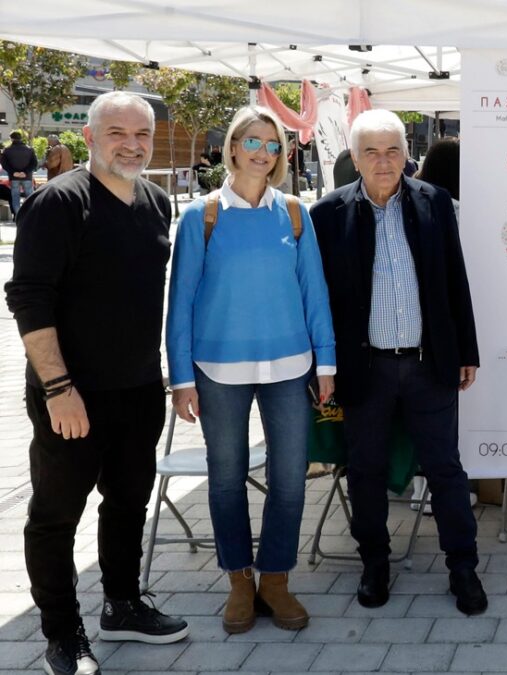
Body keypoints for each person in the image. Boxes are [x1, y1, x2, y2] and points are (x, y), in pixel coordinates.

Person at [4, 91, 189, 675]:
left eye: (142, 134)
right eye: (118, 133)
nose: (132, 145)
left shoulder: (156, 201)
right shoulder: (58, 202)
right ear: (89, 138)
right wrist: (59, 389)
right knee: (56, 516)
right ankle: (62, 634)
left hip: (139, 389)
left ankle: (123, 605)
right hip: (71, 395)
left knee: (129, 503)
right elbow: (28, 298)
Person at [166, 106, 335, 635]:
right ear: (233, 147)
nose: (264, 152)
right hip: (217, 369)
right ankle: (239, 580)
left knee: (290, 478)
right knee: (226, 478)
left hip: (290, 366)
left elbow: (315, 292)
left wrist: (326, 362)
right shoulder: (202, 217)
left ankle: (276, 579)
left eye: (273, 144)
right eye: (254, 142)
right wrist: (181, 378)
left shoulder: (295, 213)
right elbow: (180, 302)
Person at [310, 109, 486, 615]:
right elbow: (318, 299)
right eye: (372, 152)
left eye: (393, 151)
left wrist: (466, 350)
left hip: (430, 365)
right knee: (365, 469)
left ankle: (463, 566)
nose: (384, 162)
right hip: (364, 369)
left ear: (407, 155)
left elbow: (455, 280)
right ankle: (374, 563)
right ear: (355, 157)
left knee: (445, 468)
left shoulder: (435, 202)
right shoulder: (328, 214)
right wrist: (323, 367)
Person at [1, 130, 38, 216]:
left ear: (11, 138)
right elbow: (34, 163)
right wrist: (25, 172)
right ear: (21, 138)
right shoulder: (30, 149)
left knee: (15, 198)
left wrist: (13, 172)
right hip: (27, 177)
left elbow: (4, 164)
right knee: (30, 198)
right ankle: (30, 216)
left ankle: (18, 216)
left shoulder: (7, 150)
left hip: (14, 178)